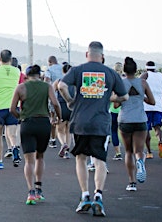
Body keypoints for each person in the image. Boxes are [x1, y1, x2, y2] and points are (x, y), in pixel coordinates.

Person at [58, 41, 128, 217]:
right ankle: (98, 195)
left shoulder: (78, 70)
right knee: (99, 160)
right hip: (100, 123)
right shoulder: (111, 73)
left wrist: (69, 101)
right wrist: (109, 98)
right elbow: (124, 96)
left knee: (80, 159)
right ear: (102, 56)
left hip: (80, 122)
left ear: (87, 54)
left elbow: (61, 85)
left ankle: (85, 195)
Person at [11, 65, 62, 205]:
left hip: (27, 123)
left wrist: (20, 117)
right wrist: (58, 118)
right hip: (43, 123)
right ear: (39, 75)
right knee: (40, 156)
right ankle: (39, 188)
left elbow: (12, 108)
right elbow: (55, 104)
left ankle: (31, 191)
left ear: (26, 75)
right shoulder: (47, 86)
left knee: (29, 160)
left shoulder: (21, 87)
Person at [116, 57, 155, 191]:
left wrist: (125, 97)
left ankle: (131, 182)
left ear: (124, 70)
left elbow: (116, 104)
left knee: (128, 151)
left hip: (125, 120)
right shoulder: (143, 83)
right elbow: (152, 102)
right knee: (139, 150)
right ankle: (140, 161)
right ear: (136, 70)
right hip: (140, 119)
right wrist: (140, 96)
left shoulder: (120, 83)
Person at [140, 61, 162, 159]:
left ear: (146, 68)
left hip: (146, 106)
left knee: (146, 128)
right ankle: (160, 141)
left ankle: (149, 152)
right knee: (157, 126)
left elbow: (136, 85)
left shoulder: (145, 75)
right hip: (158, 106)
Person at [53, 64, 74, 159]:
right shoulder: (74, 83)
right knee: (68, 131)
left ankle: (63, 144)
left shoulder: (58, 81)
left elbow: (52, 94)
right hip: (72, 107)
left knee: (60, 130)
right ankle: (67, 151)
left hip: (61, 106)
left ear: (63, 71)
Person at [44, 56, 64, 148]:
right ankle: (64, 140)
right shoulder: (63, 68)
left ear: (50, 62)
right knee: (63, 119)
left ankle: (53, 139)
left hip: (53, 96)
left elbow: (46, 81)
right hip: (64, 96)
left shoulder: (49, 70)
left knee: (52, 117)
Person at [110, 62, 125, 160]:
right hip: (124, 110)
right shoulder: (125, 80)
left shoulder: (112, 79)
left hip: (114, 110)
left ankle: (118, 152)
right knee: (125, 132)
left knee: (114, 131)